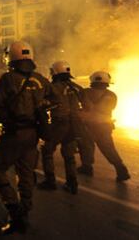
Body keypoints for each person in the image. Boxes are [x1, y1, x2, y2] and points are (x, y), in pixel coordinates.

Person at [0, 40, 55, 235]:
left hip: (14, 134)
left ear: (11, 56)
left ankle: (14, 212)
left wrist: (5, 116)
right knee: (25, 175)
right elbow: (55, 100)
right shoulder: (41, 79)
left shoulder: (8, 79)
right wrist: (41, 108)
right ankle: (24, 212)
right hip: (33, 135)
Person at [37, 60, 85, 194]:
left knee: (47, 150)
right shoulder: (77, 88)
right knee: (69, 155)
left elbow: (42, 103)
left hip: (59, 123)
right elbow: (87, 106)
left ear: (55, 72)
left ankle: (50, 181)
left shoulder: (53, 87)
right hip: (74, 125)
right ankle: (72, 183)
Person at [78, 71, 130, 182]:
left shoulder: (85, 92)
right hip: (105, 126)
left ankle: (87, 167)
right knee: (108, 148)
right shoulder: (111, 95)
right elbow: (112, 108)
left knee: (86, 146)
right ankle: (121, 169)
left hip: (88, 125)